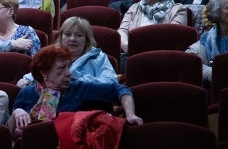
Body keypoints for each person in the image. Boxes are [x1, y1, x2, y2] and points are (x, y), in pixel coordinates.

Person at [10, 45, 142, 136]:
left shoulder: (79, 87)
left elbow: (120, 89)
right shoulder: (26, 93)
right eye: (62, 69)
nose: (68, 73)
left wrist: (130, 114)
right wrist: (16, 112)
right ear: (44, 72)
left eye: (68, 67)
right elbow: (11, 135)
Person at [18, 17, 117, 87]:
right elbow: (36, 73)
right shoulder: (52, 54)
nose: (72, 39)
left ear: (87, 40)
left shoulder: (98, 57)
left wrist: (77, 80)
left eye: (78, 35)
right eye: (68, 34)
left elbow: (111, 82)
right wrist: (26, 79)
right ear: (61, 37)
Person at [118, 0, 189, 53]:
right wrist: (127, 47)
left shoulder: (178, 9)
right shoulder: (134, 8)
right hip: (134, 54)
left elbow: (172, 36)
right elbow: (122, 31)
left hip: (164, 55)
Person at [187, 0, 228, 84]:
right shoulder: (207, 38)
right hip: (213, 88)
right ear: (217, 12)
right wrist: (215, 74)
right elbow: (190, 59)